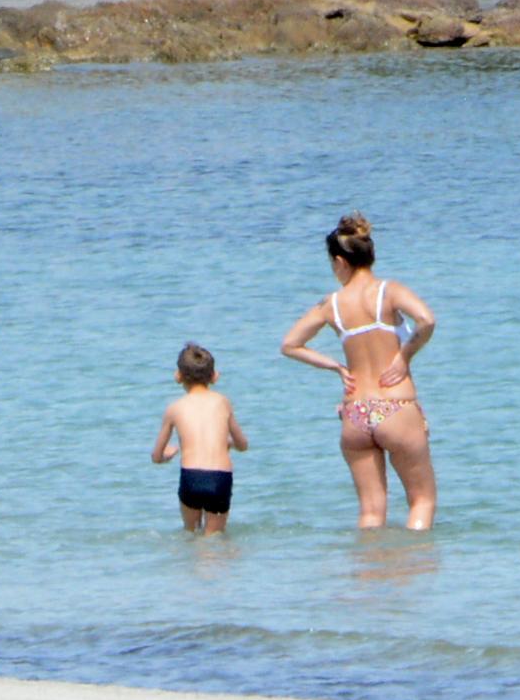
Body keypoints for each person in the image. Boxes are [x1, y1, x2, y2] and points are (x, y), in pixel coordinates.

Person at [279, 212, 438, 531]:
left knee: (370, 513)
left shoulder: (332, 304)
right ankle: (418, 575)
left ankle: (367, 577)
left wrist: (337, 367)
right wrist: (404, 356)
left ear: (340, 262)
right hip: (395, 407)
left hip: (356, 413)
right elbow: (427, 320)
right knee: (422, 500)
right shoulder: (388, 291)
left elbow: (290, 344)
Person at [155, 343, 248, 533]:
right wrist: (228, 444)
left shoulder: (174, 408)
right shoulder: (223, 402)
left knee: (190, 533)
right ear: (214, 376)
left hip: (191, 477)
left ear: (178, 376)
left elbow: (156, 456)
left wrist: (167, 455)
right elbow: (243, 444)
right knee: (214, 539)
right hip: (219, 478)